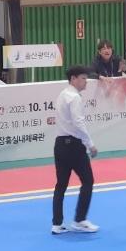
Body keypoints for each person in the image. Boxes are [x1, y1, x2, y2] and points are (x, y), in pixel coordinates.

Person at [52, 66, 99, 235]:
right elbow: (78, 123)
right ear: (73, 79)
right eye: (83, 78)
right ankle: (79, 220)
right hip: (74, 146)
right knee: (88, 180)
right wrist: (90, 144)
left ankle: (57, 224)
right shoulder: (74, 98)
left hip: (60, 144)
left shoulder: (62, 94)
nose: (86, 81)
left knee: (61, 185)